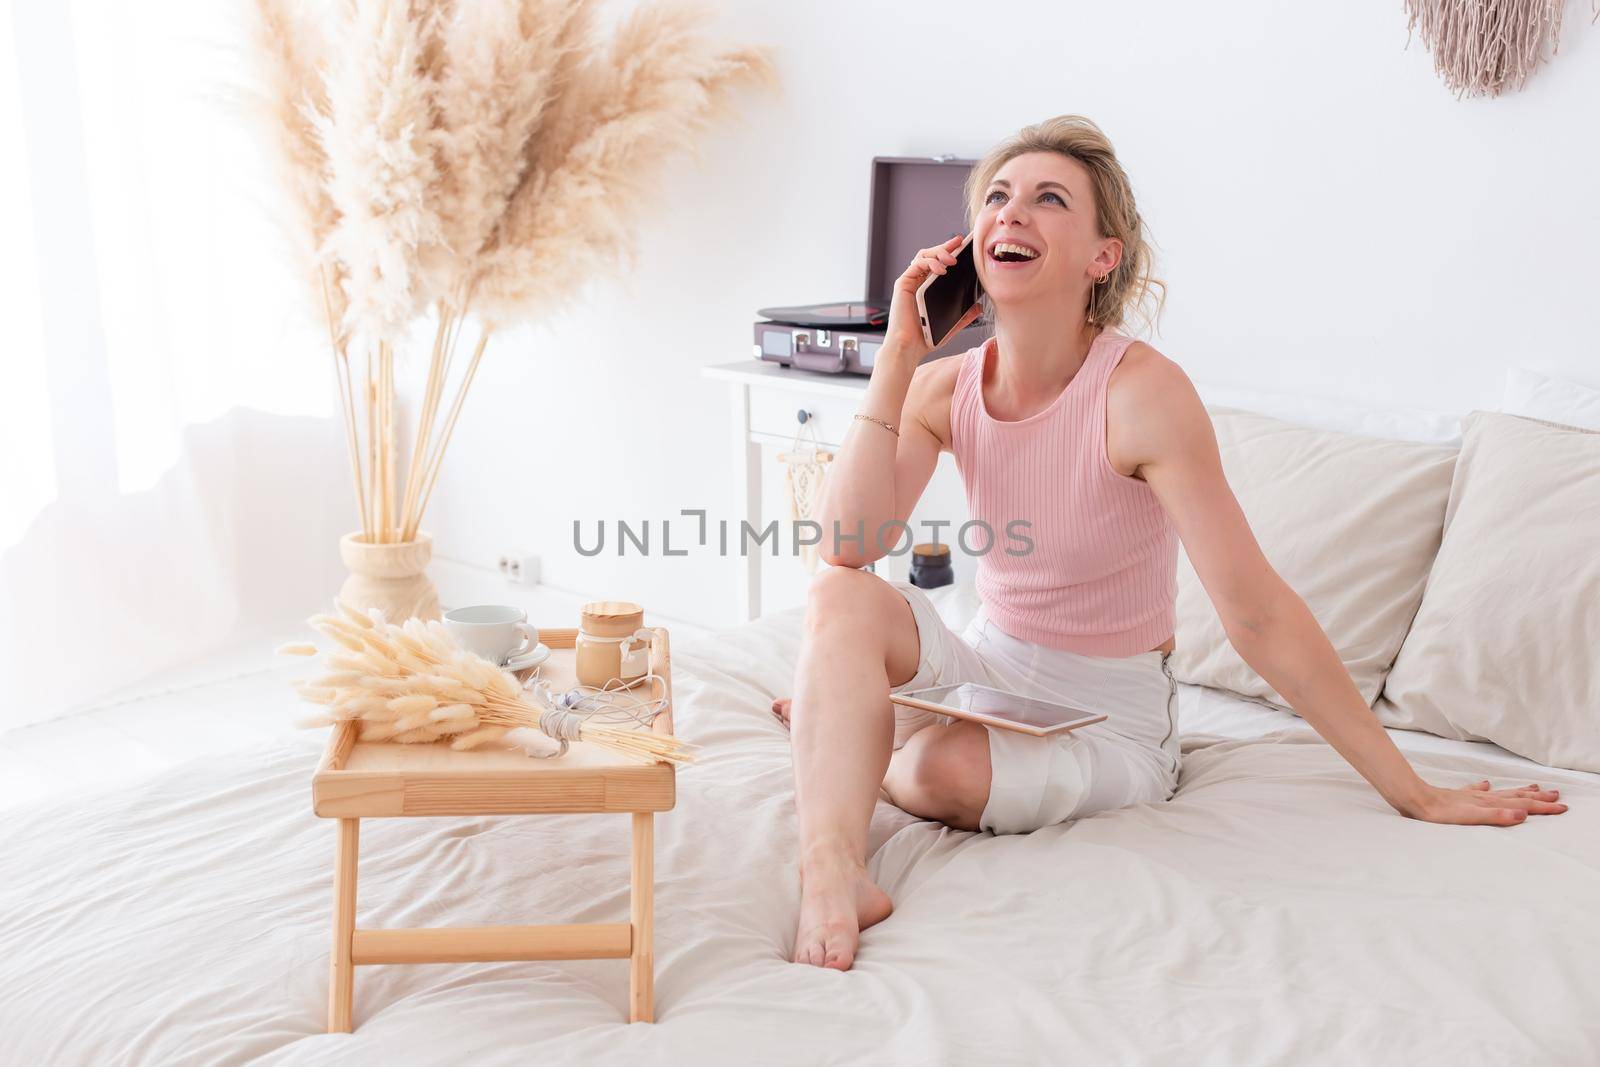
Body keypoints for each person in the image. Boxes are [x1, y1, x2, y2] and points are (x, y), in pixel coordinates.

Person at [772, 114, 1569, 973]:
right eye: (997, 197)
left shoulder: (1142, 393)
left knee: (940, 772)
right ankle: (833, 866)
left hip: (1110, 714)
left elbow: (1256, 614)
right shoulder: (941, 386)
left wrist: (1413, 787)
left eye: (1049, 199)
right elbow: (849, 544)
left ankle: (863, 730)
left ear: (1101, 256)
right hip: (990, 671)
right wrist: (895, 353)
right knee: (837, 594)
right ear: (973, 245)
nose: (1013, 214)